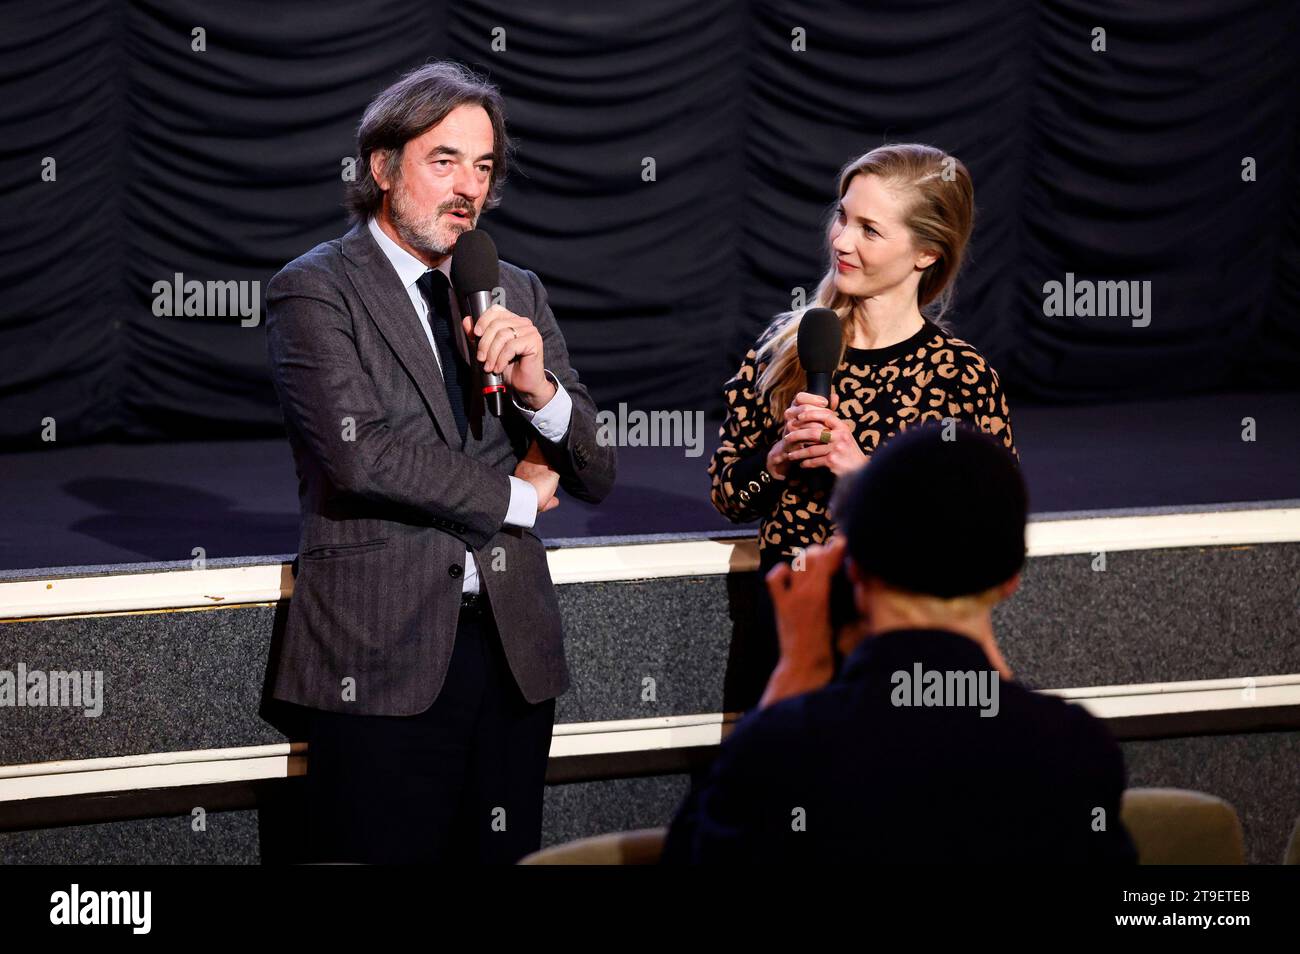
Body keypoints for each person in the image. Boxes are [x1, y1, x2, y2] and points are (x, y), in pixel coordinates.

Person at [264, 61, 615, 864]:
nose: (469, 187)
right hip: (379, 654)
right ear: (383, 168)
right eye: (444, 160)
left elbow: (596, 470)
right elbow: (364, 456)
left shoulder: (514, 287)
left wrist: (540, 390)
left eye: (483, 166)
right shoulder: (314, 290)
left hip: (513, 654)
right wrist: (516, 497)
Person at [665, 422, 1136, 864]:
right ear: (1012, 578)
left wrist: (799, 666)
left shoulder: (789, 747)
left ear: (853, 570)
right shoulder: (1074, 747)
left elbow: (693, 853)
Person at [708, 144, 1016, 709]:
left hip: (900, 644)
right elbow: (729, 493)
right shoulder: (787, 348)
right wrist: (775, 461)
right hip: (788, 633)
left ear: (926, 253)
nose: (841, 240)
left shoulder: (961, 378)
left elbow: (985, 539)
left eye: (869, 230)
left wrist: (867, 476)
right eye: (843, 216)